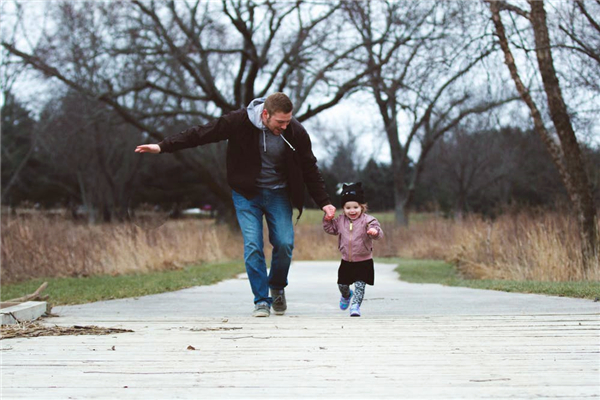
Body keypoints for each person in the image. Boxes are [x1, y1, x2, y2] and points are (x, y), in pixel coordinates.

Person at [135, 93, 336, 317]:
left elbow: (310, 168)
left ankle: (277, 286)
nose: (284, 126)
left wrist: (325, 203)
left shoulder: (295, 131)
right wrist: (163, 146)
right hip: (246, 194)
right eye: (280, 122)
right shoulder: (238, 121)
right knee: (253, 246)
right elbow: (202, 133)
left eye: (288, 121)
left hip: (278, 193)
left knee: (284, 243)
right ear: (265, 114)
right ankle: (261, 300)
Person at [323, 182, 383, 317]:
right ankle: (346, 295)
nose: (352, 210)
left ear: (362, 207)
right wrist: (327, 220)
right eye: (348, 207)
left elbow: (379, 232)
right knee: (342, 285)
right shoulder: (340, 221)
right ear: (343, 209)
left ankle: (355, 306)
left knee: (360, 286)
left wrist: (374, 231)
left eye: (355, 207)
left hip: (364, 261)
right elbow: (330, 229)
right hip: (346, 261)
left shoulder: (368, 221)